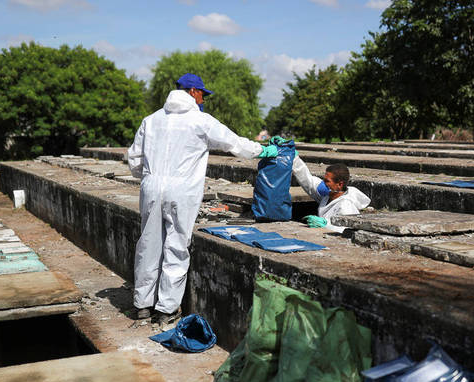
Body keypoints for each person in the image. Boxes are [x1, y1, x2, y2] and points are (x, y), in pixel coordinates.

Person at [127, 73, 278, 327]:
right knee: (176, 245)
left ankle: (143, 304)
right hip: (182, 188)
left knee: (149, 244)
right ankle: (166, 309)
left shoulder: (150, 120)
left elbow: (134, 160)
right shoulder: (200, 120)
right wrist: (262, 150)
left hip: (151, 186)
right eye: (203, 95)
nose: (203, 100)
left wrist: (151, 179)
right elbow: (234, 143)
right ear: (194, 92)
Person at [287, 146, 370, 233]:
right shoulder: (328, 195)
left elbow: (346, 229)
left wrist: (326, 224)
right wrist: (294, 158)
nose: (323, 183)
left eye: (327, 181)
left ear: (339, 184)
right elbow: (308, 181)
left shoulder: (346, 205)